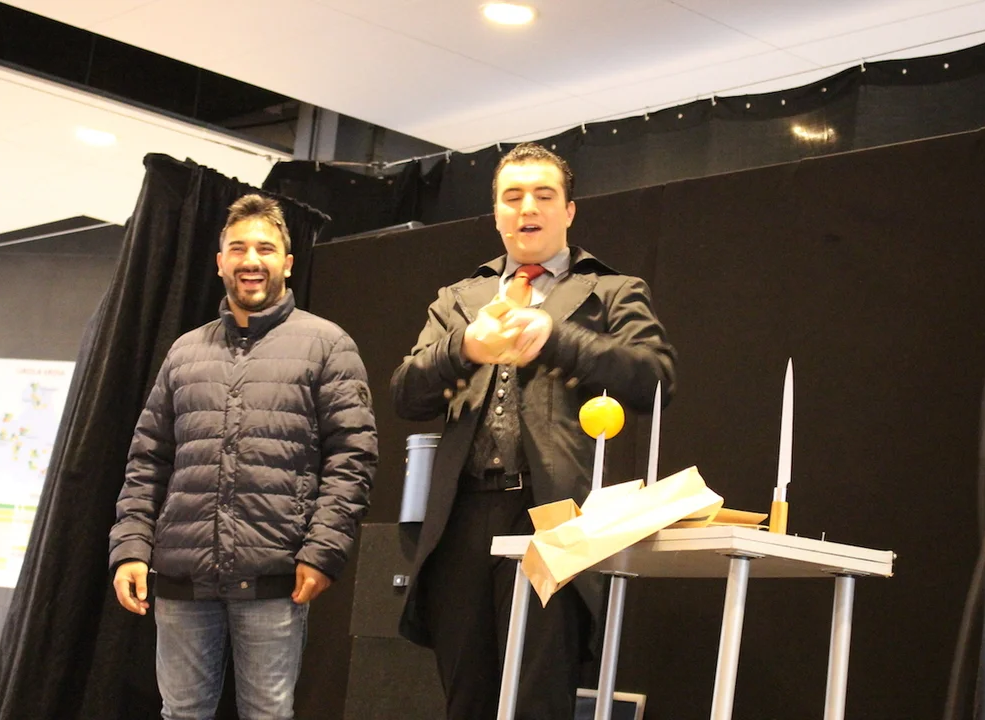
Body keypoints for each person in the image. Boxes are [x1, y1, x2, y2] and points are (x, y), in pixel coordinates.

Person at [391, 143, 676, 720]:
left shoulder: (612, 290)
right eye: (513, 196)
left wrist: (555, 337)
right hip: (460, 519)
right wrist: (465, 347)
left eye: (544, 195)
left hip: (553, 516)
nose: (528, 208)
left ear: (569, 211)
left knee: (537, 700)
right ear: (496, 213)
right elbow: (405, 393)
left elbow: (655, 378)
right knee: (466, 699)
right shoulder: (459, 299)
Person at [109, 194, 378, 720]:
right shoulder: (184, 352)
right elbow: (147, 460)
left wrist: (322, 551)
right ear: (220, 262)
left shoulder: (328, 344)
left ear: (288, 262)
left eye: (265, 248)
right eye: (238, 248)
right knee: (180, 713)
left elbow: (353, 459)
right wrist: (131, 547)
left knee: (268, 714)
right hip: (182, 578)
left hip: (275, 578)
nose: (251, 260)